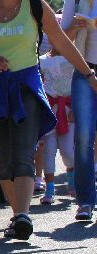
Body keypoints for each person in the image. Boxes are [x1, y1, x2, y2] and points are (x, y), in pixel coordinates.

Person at [0, 0, 97, 237]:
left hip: (27, 86)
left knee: (25, 150)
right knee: (3, 156)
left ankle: (24, 214)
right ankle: (18, 215)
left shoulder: (36, 7)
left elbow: (63, 44)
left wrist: (88, 75)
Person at [61, 0, 97, 220]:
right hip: (85, 71)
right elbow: (63, 41)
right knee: (83, 136)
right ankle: (85, 200)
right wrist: (76, 25)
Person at [39, 45, 75, 203]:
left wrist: (75, 108)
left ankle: (72, 180)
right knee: (49, 151)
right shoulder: (41, 61)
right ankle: (50, 189)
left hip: (67, 112)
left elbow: (78, 84)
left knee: (68, 151)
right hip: (49, 111)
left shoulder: (74, 58)